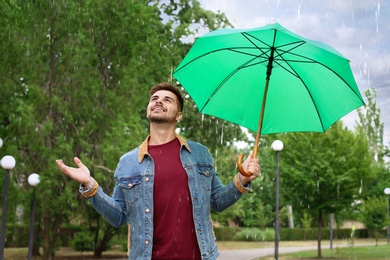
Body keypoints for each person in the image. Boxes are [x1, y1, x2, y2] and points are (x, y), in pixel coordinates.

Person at [56, 82, 261, 260]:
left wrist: (242, 180)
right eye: (154, 98)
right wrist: (89, 186)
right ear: (148, 110)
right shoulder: (128, 162)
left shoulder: (200, 154)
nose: (159, 101)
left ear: (179, 115)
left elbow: (217, 201)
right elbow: (118, 216)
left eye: (167, 100)